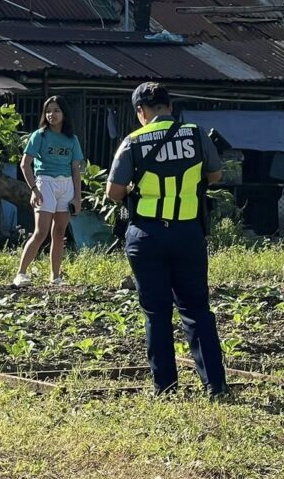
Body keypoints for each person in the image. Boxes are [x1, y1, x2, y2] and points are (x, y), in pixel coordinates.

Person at [107, 82, 228, 398]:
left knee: (157, 312)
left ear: (140, 112)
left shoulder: (133, 141)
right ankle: (214, 385)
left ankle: (165, 388)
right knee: (197, 309)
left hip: (147, 236)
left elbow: (113, 192)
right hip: (188, 233)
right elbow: (215, 175)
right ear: (170, 107)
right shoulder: (195, 134)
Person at [13, 96, 84, 287]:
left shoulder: (72, 139)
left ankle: (55, 276)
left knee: (59, 232)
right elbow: (25, 164)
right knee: (40, 232)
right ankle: (21, 273)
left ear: (64, 114)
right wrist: (34, 189)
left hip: (66, 185)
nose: (52, 115)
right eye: (48, 111)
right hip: (45, 183)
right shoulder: (39, 135)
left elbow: (76, 170)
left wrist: (77, 198)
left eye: (56, 110)